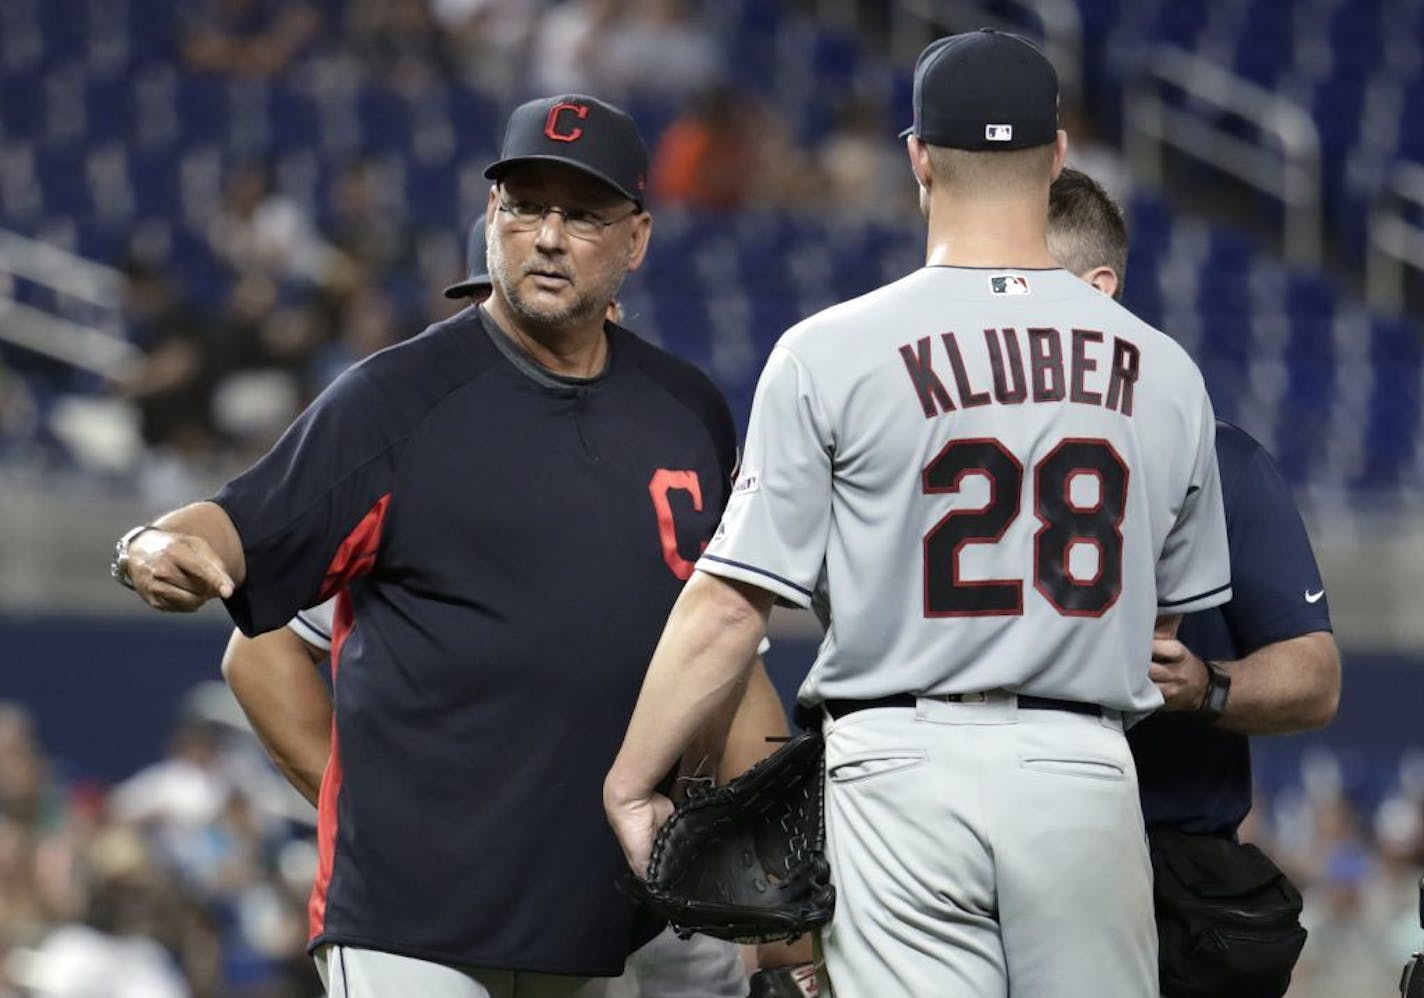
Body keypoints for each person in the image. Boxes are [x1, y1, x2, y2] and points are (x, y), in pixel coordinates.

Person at [604, 29, 1233, 998]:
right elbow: (1162, 630)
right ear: (1058, 156)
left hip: (899, 764)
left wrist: (632, 780)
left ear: (917, 158)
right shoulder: (1163, 369)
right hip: (1083, 767)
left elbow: (731, 606)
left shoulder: (829, 350)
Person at [112, 92, 767, 998]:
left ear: (638, 237)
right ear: (492, 215)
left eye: (579, 213)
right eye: (524, 206)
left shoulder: (687, 413)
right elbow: (236, 530)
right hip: (415, 924)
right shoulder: (395, 399)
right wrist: (150, 544)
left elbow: (722, 641)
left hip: (606, 916)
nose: (546, 235)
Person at [219, 216, 792, 996]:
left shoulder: (666, 433)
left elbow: (735, 673)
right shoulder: (427, 445)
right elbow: (261, 651)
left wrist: (776, 895)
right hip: (453, 910)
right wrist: (387, 823)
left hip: (647, 886)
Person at [1047, 166, 1341, 992]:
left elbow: (1314, 680)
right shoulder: (956, 454)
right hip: (986, 851)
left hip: (1168, 868)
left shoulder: (1222, 458)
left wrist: (1207, 687)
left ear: (1098, 290)